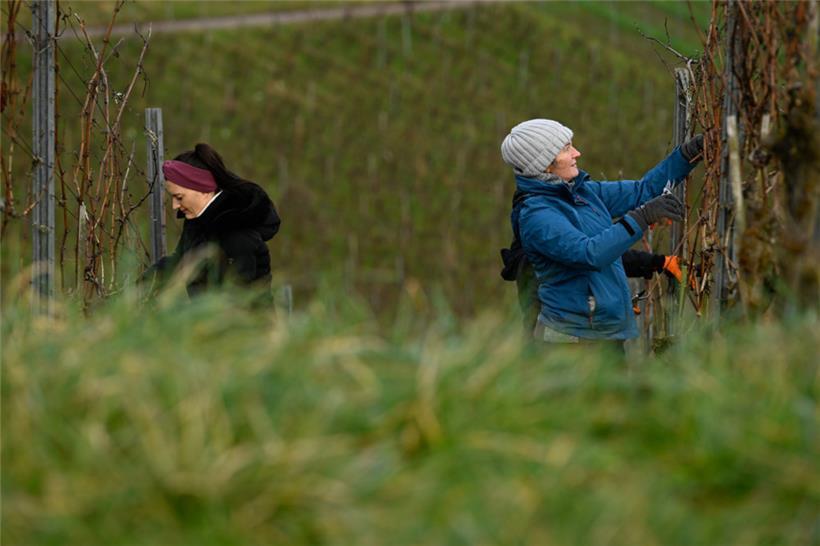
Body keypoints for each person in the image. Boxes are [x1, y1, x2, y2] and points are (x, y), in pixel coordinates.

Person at [500, 119, 703, 351]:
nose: (577, 153)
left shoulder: (583, 193)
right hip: (571, 343)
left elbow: (642, 191)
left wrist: (686, 155)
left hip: (602, 333)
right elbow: (590, 253)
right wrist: (643, 217)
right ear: (544, 165)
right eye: (566, 149)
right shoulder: (537, 216)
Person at [142, 143, 281, 297]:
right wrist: (140, 286)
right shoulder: (198, 220)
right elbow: (180, 261)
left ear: (204, 189)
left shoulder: (236, 231)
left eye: (179, 197)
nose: (175, 206)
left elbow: (239, 300)